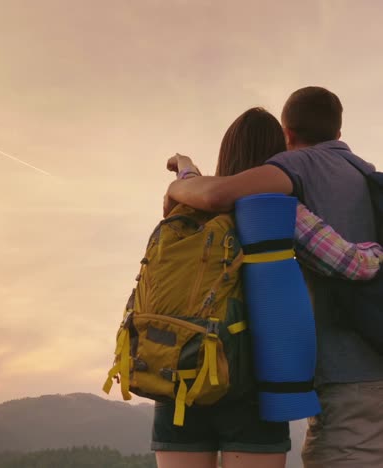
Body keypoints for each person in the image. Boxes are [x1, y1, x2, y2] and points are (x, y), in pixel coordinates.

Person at [163, 88, 383, 467]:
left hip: (178, 378)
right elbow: (352, 263)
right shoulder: (288, 206)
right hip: (258, 387)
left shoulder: (190, 219)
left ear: (289, 134)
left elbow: (216, 193)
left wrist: (182, 177)